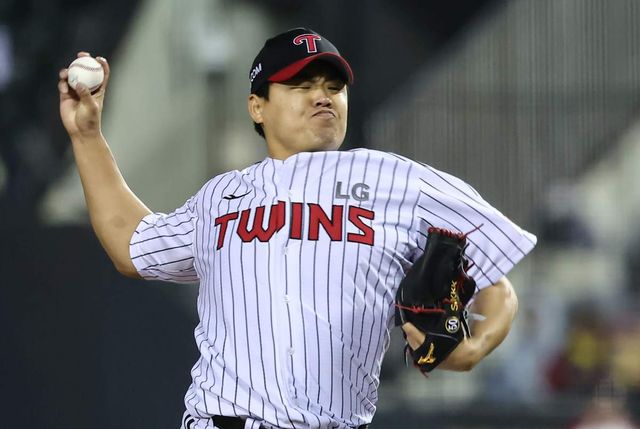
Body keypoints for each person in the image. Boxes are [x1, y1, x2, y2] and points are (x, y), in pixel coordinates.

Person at [58, 27, 536, 429]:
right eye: (300, 84)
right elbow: (132, 244)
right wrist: (86, 135)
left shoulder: (399, 181)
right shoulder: (221, 196)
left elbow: (496, 284)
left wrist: (474, 346)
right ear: (257, 107)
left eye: (333, 85)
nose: (322, 95)